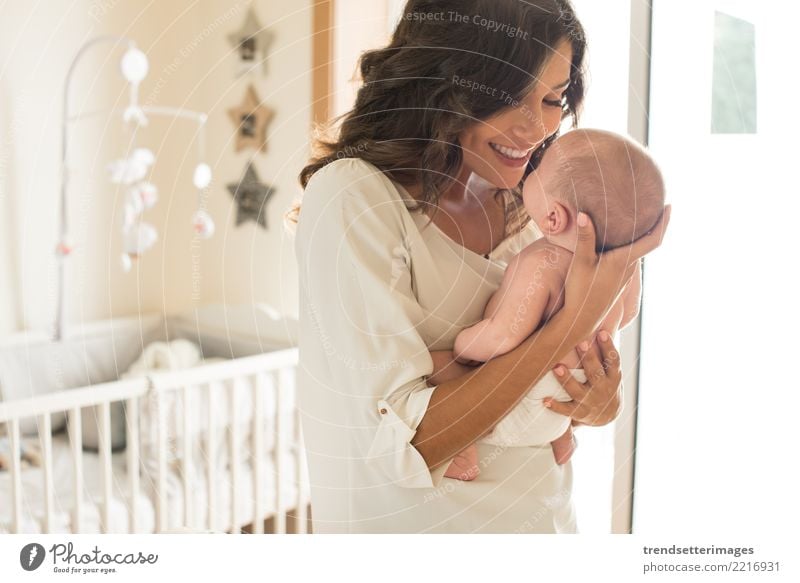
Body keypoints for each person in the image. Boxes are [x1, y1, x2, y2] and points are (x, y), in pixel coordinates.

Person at [286, 0, 670, 533]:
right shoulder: (354, 199)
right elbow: (408, 441)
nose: (537, 126)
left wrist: (598, 403)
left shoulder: (540, 210)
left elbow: (561, 382)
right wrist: (571, 325)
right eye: (509, 96)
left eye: (554, 99)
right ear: (445, 79)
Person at [438, 129, 666, 481]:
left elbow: (504, 335)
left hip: (522, 403)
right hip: (564, 402)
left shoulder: (543, 262)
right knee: (556, 374)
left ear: (554, 218)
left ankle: (462, 448)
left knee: (439, 367)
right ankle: (561, 436)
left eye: (540, 168)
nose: (532, 164)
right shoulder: (617, 275)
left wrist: (464, 345)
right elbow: (628, 313)